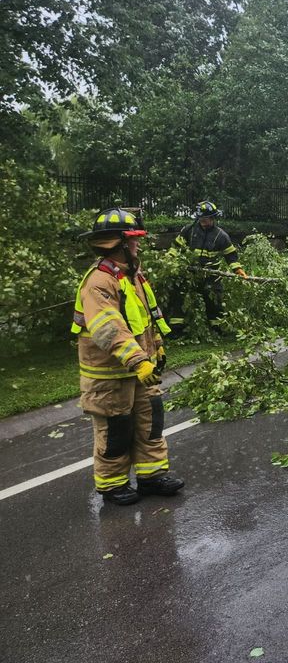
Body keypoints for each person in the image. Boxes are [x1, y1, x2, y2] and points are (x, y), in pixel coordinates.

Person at [73, 207, 185, 505]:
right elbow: (107, 329)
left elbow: (148, 316)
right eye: (133, 240)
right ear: (118, 243)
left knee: (151, 422)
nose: (138, 245)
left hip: (141, 370)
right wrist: (138, 360)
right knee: (116, 431)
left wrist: (157, 345)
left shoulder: (133, 275)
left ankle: (151, 478)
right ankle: (112, 486)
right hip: (110, 376)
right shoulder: (99, 282)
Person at [168, 200, 247, 333]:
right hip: (189, 273)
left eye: (206, 219)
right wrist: (169, 261)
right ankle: (176, 328)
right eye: (201, 218)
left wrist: (237, 269)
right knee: (180, 297)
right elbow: (176, 248)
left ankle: (217, 327)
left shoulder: (221, 236)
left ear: (212, 218)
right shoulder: (189, 230)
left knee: (214, 300)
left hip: (211, 275)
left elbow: (230, 255)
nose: (203, 221)